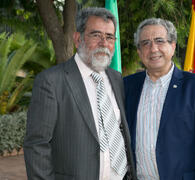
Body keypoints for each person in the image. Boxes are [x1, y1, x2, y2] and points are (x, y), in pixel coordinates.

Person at [24, 7, 136, 180]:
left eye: (109, 37)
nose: (104, 43)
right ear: (77, 39)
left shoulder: (116, 79)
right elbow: (37, 145)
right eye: (96, 35)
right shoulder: (51, 81)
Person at [124, 18, 195, 180]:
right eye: (145, 43)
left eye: (160, 41)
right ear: (139, 52)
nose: (153, 49)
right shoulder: (127, 86)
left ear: (173, 46)